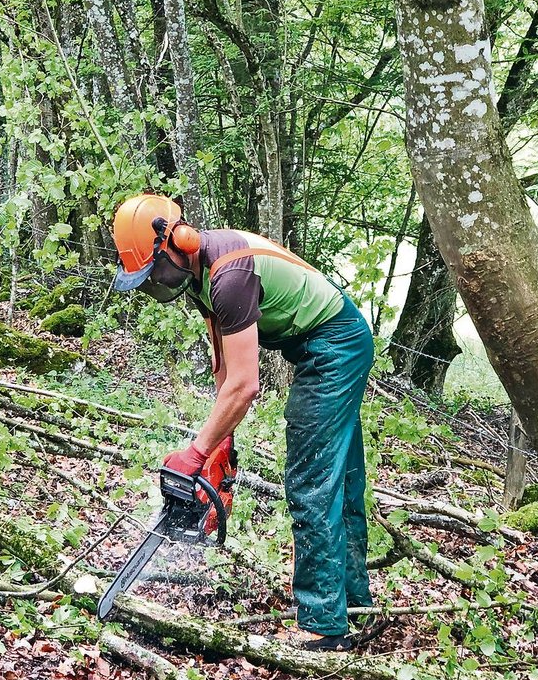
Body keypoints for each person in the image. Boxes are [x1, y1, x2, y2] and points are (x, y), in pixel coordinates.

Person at [111, 193, 374, 651]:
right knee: (340, 476)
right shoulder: (202, 277)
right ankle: (353, 601)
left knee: (312, 478)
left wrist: (194, 454)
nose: (155, 283)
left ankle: (324, 625)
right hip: (320, 344)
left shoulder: (229, 275)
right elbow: (226, 369)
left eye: (155, 271)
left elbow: (246, 384)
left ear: (178, 240)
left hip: (336, 345)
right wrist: (218, 447)